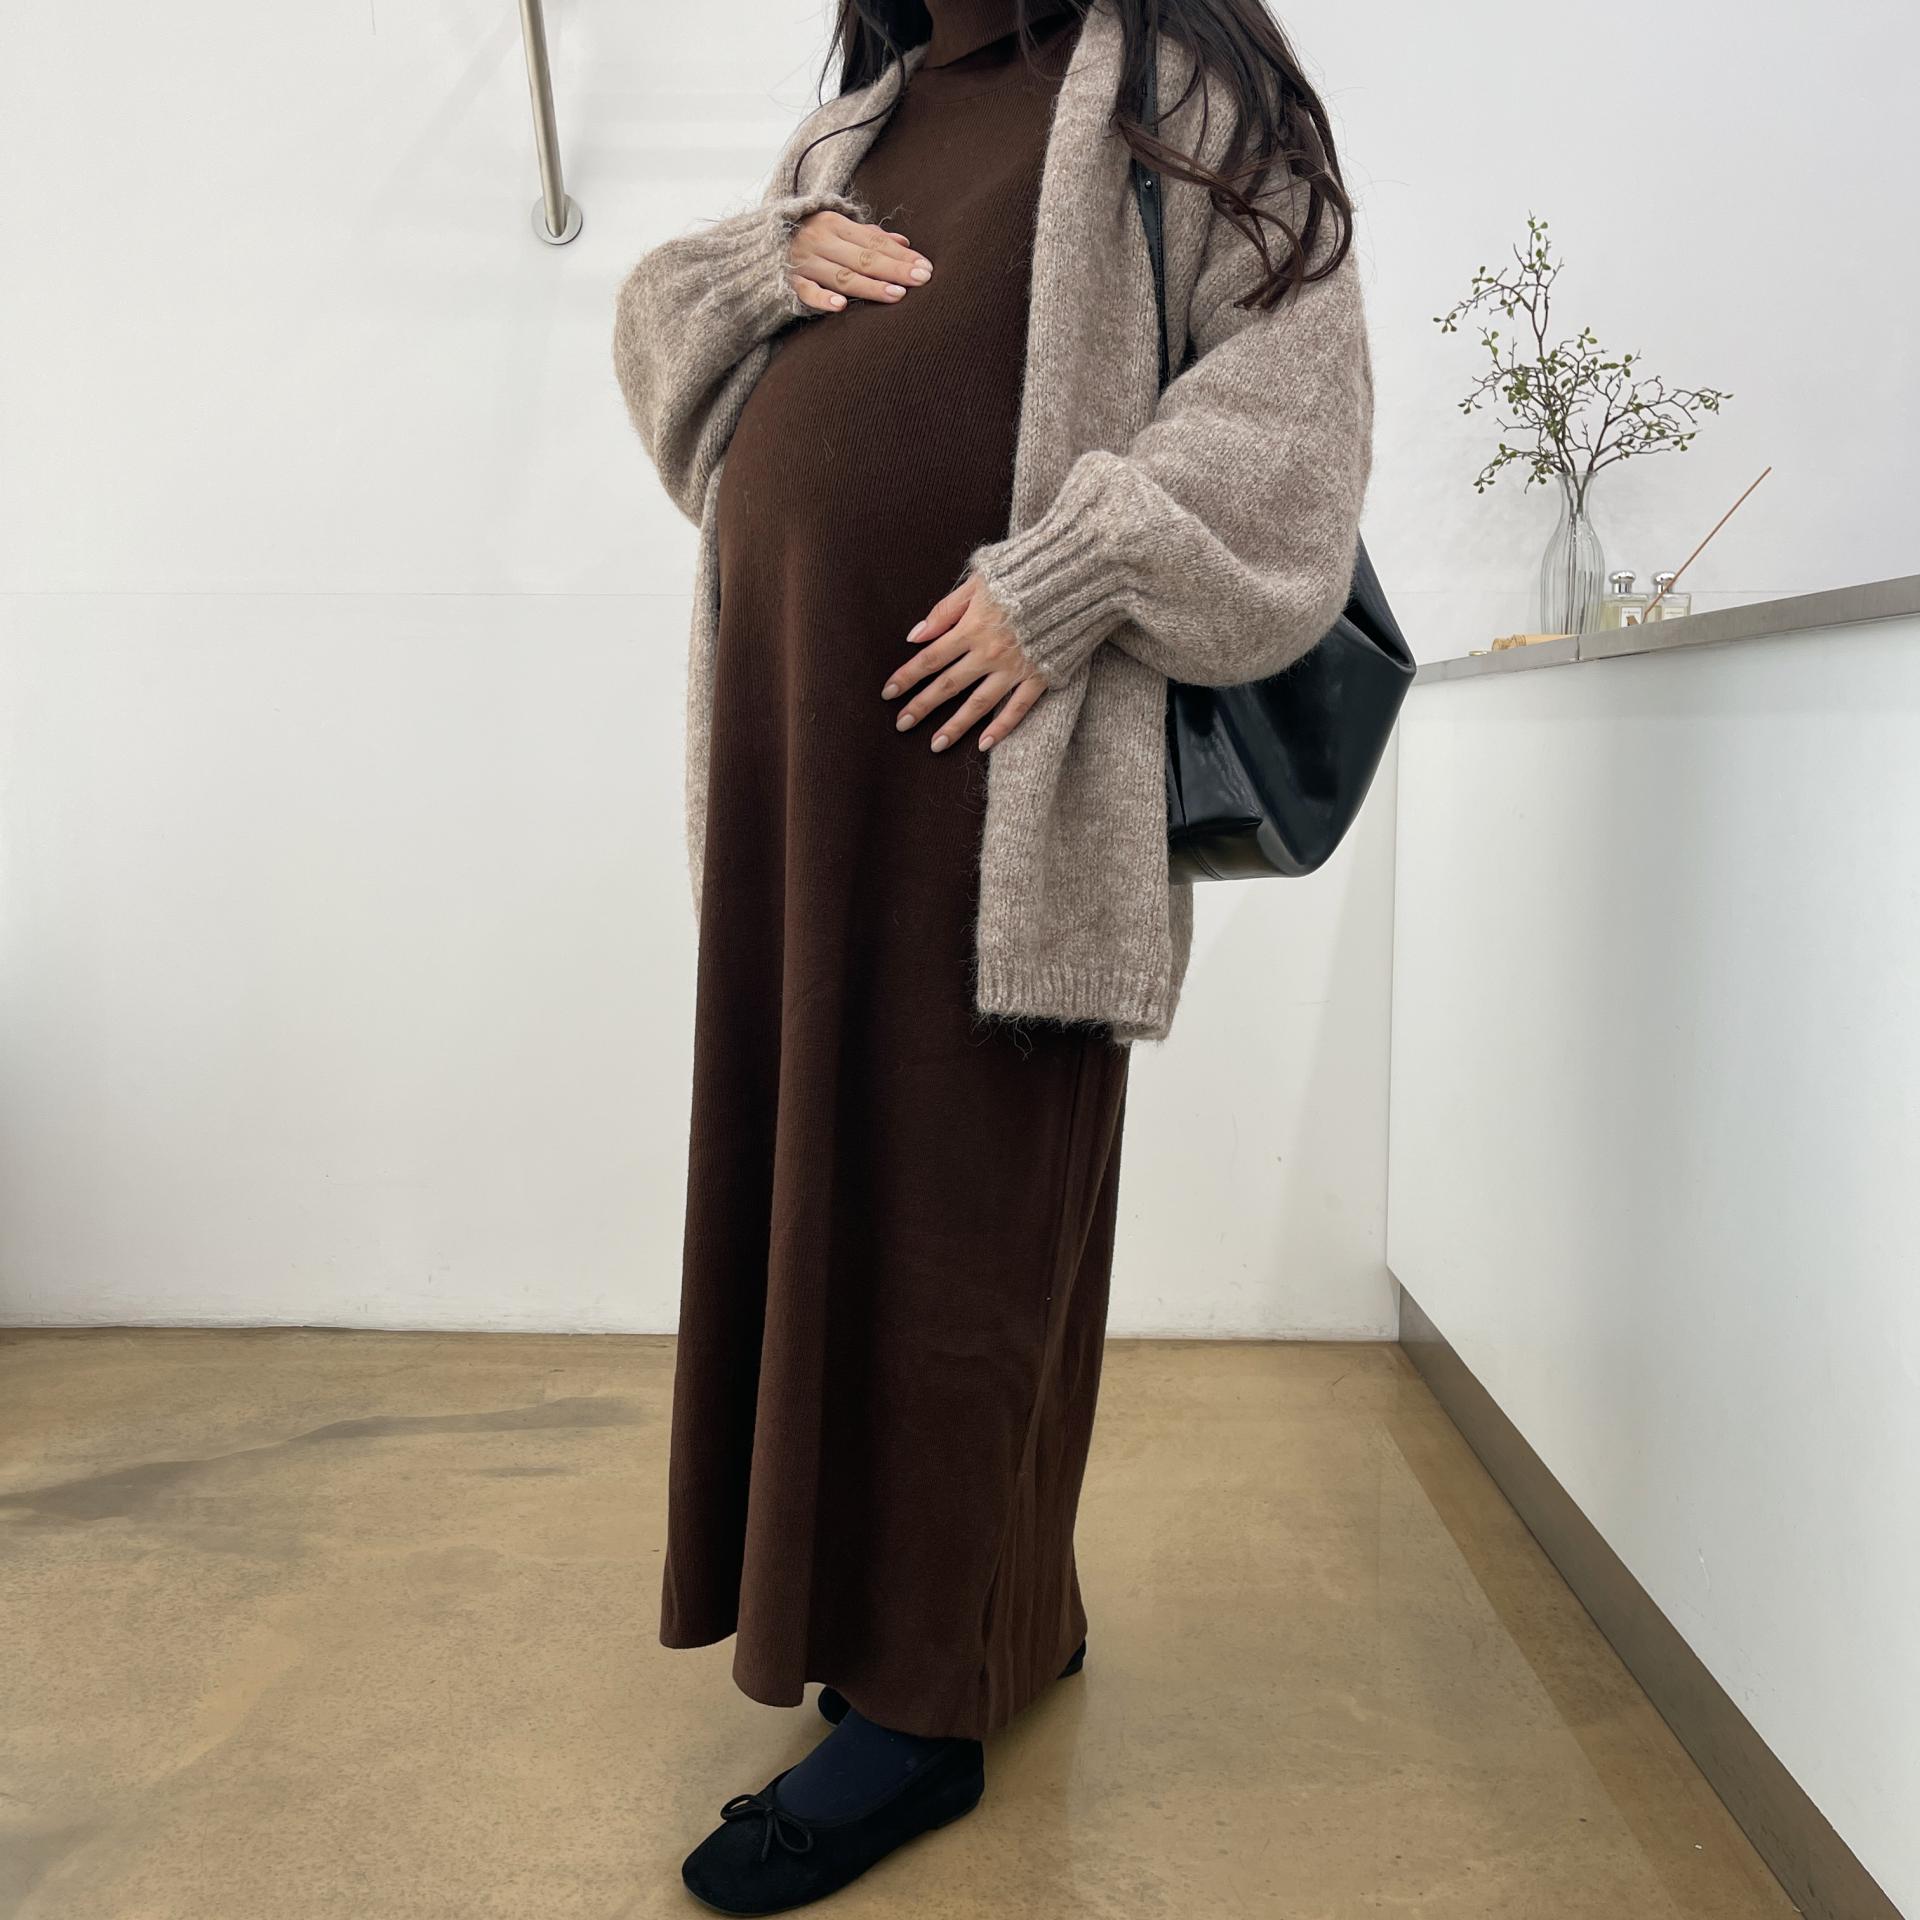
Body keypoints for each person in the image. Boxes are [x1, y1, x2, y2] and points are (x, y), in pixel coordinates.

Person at [613, 0, 1371, 1906]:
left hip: (1004, 776)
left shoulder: (1182, 86)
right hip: (801, 756)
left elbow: (1296, 416)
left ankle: (923, 1711)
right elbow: (670, 373)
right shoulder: (863, 117)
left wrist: (1073, 573)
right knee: (824, 1199)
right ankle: (989, 1615)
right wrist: (756, 268)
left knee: (973, 1224)